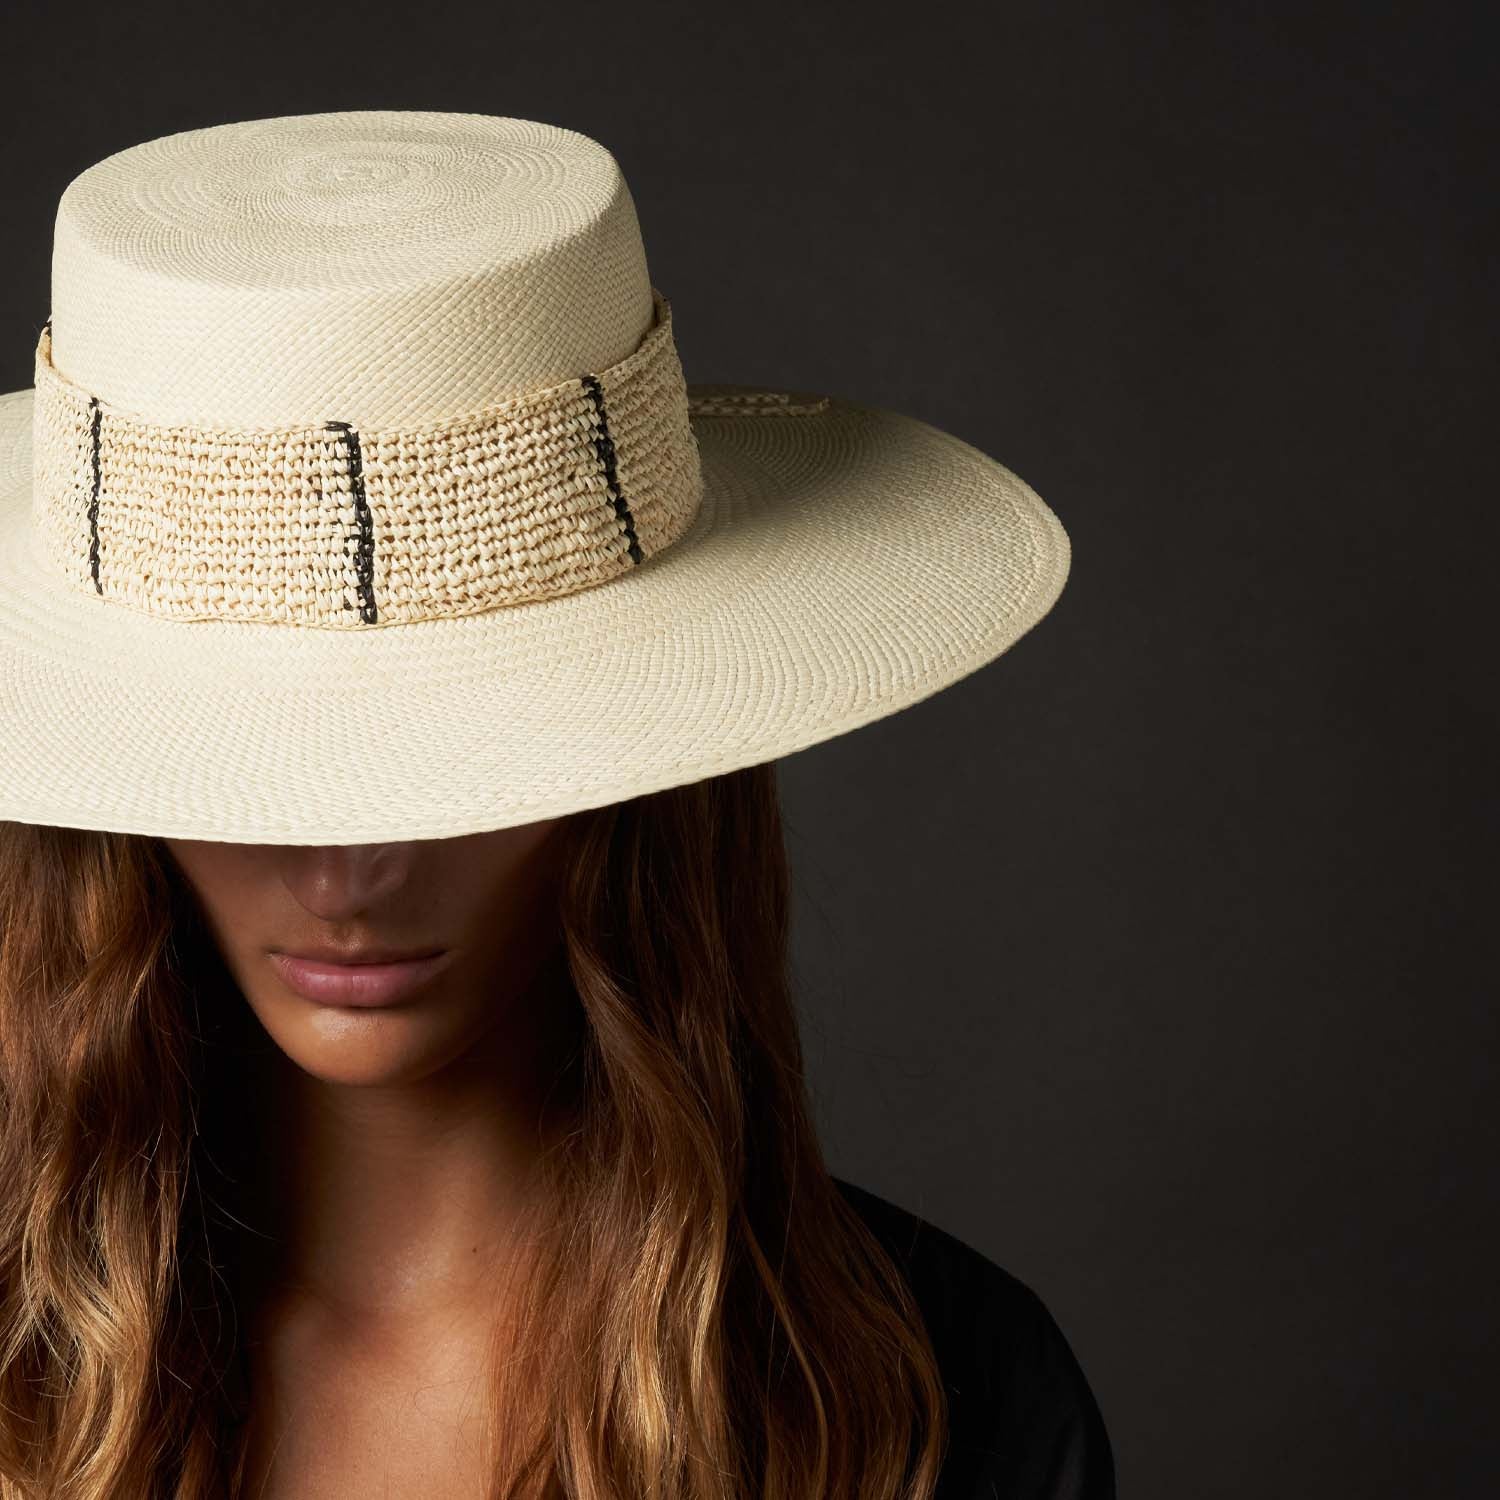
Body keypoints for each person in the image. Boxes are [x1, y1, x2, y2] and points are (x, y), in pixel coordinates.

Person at [0, 110, 1112, 1499]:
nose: (355, 867)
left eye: (463, 752)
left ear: (641, 780)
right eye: (261, 759)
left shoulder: (935, 1397)